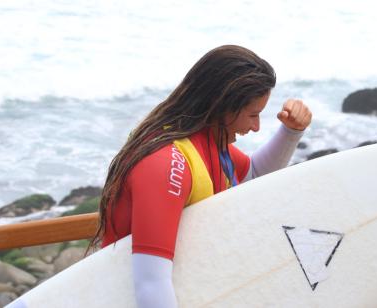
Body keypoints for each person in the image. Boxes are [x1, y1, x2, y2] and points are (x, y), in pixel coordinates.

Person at [92, 45, 310, 307]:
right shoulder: (166, 164)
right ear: (222, 106)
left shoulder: (207, 143)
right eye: (253, 115)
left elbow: (254, 175)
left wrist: (290, 132)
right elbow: (150, 284)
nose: (256, 127)